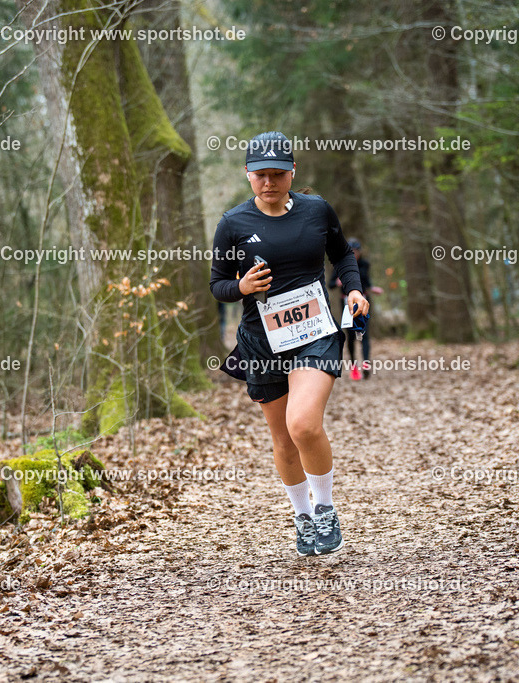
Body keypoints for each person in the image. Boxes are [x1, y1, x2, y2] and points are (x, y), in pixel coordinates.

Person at [209, 131, 369, 556]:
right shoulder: (233, 225)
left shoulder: (316, 210)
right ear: (247, 175)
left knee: (303, 425)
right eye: (260, 175)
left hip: (314, 333)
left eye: (277, 174)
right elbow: (217, 286)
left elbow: (343, 254)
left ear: (292, 172)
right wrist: (240, 285)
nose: (268, 182)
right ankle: (301, 517)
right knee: (282, 439)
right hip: (261, 342)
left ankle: (326, 510)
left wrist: (351, 289)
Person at [328, 239, 383, 378]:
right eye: (352, 251)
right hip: (346, 303)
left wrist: (372, 288)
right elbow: (331, 284)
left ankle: (365, 365)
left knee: (364, 333)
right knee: (351, 336)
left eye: (356, 251)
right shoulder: (340, 264)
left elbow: (365, 280)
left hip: (363, 301)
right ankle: (353, 366)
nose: (354, 254)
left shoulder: (364, 264)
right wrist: (337, 282)